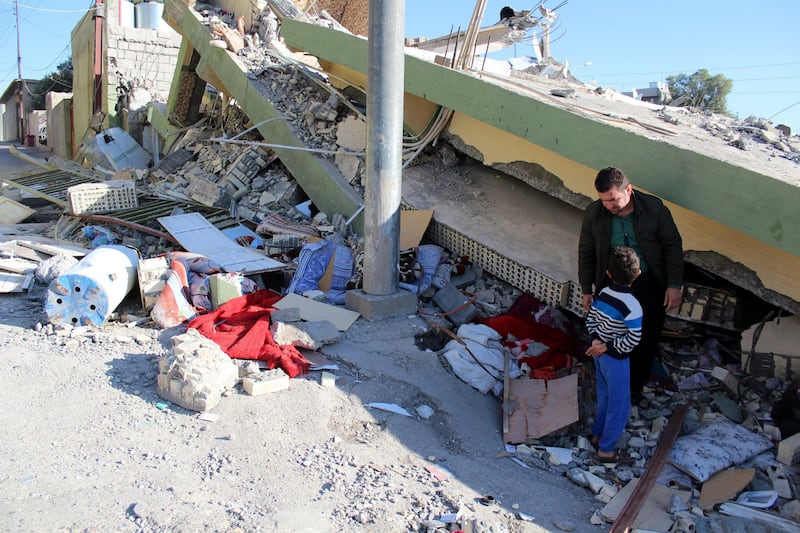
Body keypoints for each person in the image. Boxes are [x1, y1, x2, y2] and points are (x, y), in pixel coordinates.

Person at [579, 167, 683, 399]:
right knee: (608, 332)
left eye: (613, 199)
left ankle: (633, 388)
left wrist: (674, 284)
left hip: (648, 282)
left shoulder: (654, 208)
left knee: (645, 336)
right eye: (604, 200)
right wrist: (587, 288)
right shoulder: (595, 212)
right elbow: (586, 251)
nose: (608, 206)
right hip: (612, 281)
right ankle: (607, 383)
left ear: (629, 190)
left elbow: (672, 245)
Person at [585, 246, 642, 464]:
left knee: (605, 396)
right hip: (615, 358)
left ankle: (598, 435)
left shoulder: (603, 294)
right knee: (619, 404)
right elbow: (633, 339)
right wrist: (608, 346)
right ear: (637, 274)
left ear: (609, 273)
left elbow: (591, 319)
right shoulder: (633, 306)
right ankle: (606, 450)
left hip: (598, 353)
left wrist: (596, 341)